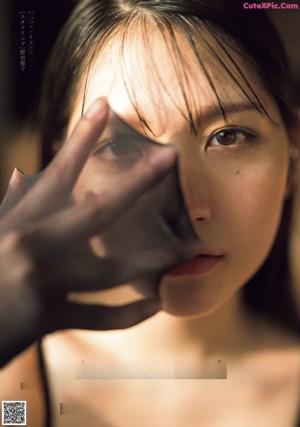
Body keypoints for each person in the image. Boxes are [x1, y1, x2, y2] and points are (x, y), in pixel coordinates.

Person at [1, 0, 300, 426]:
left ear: (292, 149)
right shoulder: (14, 392)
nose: (185, 209)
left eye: (228, 135)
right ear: (60, 168)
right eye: (120, 146)